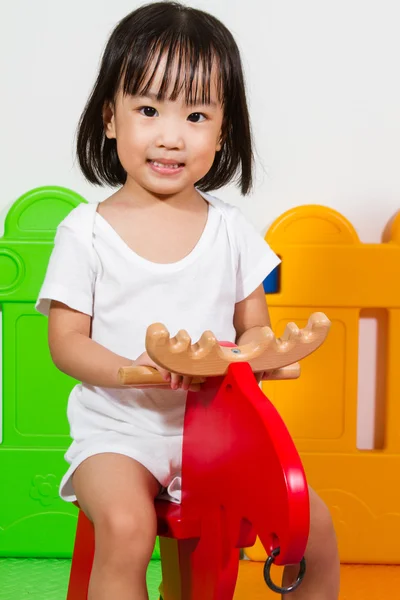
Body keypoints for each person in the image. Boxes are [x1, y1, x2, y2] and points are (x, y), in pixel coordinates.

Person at [36, 2, 340, 599]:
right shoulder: (86, 231)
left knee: (313, 523)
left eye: (196, 114)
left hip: (217, 433)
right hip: (118, 432)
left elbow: (255, 327)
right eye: (148, 109)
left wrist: (255, 354)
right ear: (110, 119)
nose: (171, 135)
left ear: (223, 129)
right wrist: (134, 373)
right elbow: (66, 343)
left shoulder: (231, 231)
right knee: (127, 528)